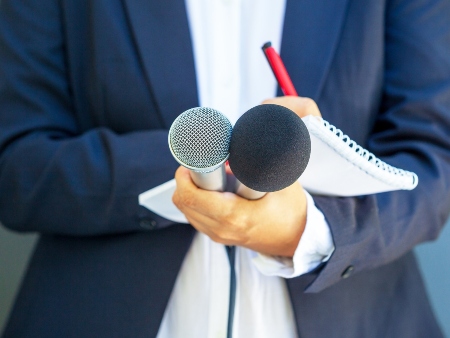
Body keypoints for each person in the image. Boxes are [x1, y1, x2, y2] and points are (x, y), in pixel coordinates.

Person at [1, 0, 450, 337]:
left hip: (358, 319)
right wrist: (207, 155)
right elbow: (16, 163)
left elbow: (432, 158)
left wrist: (309, 231)